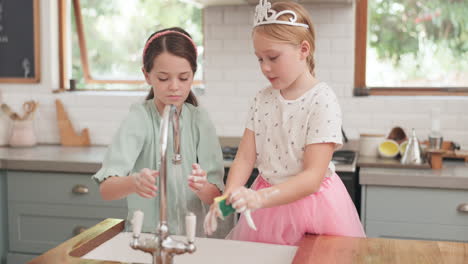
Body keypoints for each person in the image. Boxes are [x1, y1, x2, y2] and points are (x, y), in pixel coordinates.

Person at [204, 0, 365, 245]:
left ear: (303, 49)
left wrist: (260, 199)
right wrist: (225, 202)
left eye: (273, 57)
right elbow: (245, 159)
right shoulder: (261, 99)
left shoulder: (322, 100)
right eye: (259, 59)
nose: (265, 68)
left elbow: (312, 178)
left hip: (315, 211)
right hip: (266, 209)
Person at [93, 27, 227, 236]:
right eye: (164, 78)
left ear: (193, 73)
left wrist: (201, 187)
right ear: (147, 75)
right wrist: (133, 182)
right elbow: (106, 190)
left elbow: (219, 200)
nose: (174, 87)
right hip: (145, 237)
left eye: (183, 78)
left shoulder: (200, 120)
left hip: (194, 240)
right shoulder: (139, 118)